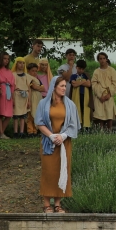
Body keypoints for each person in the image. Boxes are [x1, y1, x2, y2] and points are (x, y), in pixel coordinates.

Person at [35, 77, 80, 213]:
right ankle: (47, 204)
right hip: (49, 142)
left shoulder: (70, 104)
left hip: (64, 143)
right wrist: (51, 136)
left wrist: (63, 136)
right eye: (61, 86)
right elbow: (39, 122)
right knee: (49, 172)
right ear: (54, 87)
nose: (64, 88)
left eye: (65, 86)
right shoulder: (44, 103)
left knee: (62, 171)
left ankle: (58, 204)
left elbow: (74, 124)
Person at [92, 52, 116, 132]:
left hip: (108, 95)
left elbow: (115, 83)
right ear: (98, 60)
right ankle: (101, 131)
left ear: (106, 59)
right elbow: (94, 83)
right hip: (99, 96)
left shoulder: (112, 70)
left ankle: (109, 130)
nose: (102, 60)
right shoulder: (96, 72)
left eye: (104, 58)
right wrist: (100, 95)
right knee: (100, 114)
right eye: (100, 59)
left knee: (109, 114)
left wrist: (109, 94)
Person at [11, 57, 34, 138]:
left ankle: (21, 132)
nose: (21, 65)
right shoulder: (13, 75)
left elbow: (29, 89)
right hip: (16, 95)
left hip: (24, 96)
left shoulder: (27, 76)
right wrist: (12, 99)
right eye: (20, 63)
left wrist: (29, 101)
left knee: (23, 115)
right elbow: (12, 88)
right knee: (16, 115)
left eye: (23, 63)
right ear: (16, 64)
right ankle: (15, 132)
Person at [0, 51, 15, 139]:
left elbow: (13, 84)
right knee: (0, 113)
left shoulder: (9, 71)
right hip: (1, 91)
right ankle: (0, 133)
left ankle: (1, 132)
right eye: (4, 59)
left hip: (8, 92)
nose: (6, 61)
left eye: (8, 59)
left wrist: (12, 95)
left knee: (9, 114)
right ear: (0, 59)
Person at [69, 59, 92, 129]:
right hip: (76, 96)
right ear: (76, 67)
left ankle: (86, 127)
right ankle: (78, 127)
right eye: (79, 68)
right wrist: (83, 81)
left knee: (85, 110)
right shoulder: (73, 76)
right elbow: (74, 85)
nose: (81, 70)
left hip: (85, 96)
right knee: (77, 110)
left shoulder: (86, 75)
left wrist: (79, 82)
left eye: (82, 69)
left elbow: (89, 84)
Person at [26, 63, 45, 137]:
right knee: (30, 114)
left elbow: (43, 88)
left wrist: (38, 87)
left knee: (37, 114)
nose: (34, 73)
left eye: (36, 71)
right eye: (32, 71)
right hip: (32, 97)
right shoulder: (28, 78)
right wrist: (38, 87)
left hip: (38, 98)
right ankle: (30, 131)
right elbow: (33, 87)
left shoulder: (37, 79)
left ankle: (35, 131)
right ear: (28, 71)